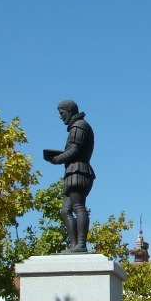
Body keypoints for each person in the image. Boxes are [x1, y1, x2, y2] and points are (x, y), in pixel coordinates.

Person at [46, 100, 95, 253]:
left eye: (62, 113)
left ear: (69, 111)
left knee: (78, 207)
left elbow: (75, 149)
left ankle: (81, 244)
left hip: (78, 172)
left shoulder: (79, 126)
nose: (61, 117)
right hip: (75, 172)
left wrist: (57, 159)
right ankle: (75, 245)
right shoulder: (78, 126)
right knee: (65, 211)